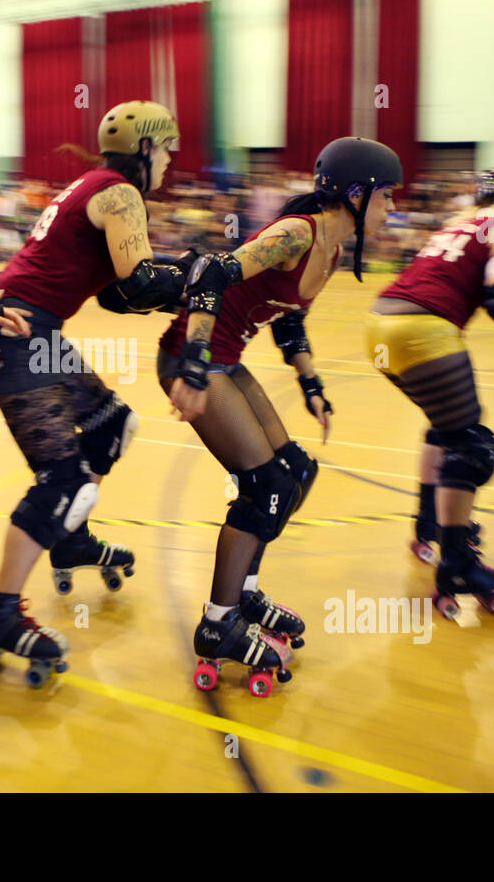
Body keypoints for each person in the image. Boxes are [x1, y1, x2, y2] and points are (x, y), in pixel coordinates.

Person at [152, 136, 401, 695]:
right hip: (193, 357)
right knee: (263, 486)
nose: (393, 209)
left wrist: (310, 382)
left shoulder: (333, 252)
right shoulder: (296, 234)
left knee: (293, 475)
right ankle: (218, 623)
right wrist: (192, 369)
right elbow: (210, 276)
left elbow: (288, 319)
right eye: (386, 196)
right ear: (357, 195)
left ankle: (244, 594)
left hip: (225, 359)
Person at [0, 100, 186, 688]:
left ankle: (70, 538)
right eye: (166, 149)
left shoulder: (100, 184)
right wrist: (203, 275)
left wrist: (186, 276)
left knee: (114, 425)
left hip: (32, 329)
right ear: (144, 148)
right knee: (61, 480)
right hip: (11, 333)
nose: (170, 161)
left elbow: (121, 289)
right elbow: (139, 281)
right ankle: (0, 613)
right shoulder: (119, 194)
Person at [365, 166, 494, 621]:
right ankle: (457, 565)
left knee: (446, 431)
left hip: (380, 325)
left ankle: (430, 524)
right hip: (421, 329)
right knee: (475, 448)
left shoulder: (461, 220)